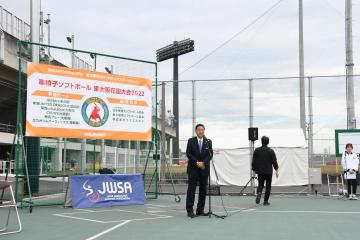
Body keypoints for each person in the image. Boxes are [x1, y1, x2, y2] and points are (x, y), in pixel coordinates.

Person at [186, 123, 213, 218]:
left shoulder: (208, 141)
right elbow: (188, 153)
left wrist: (203, 163)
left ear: (204, 131)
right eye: (199, 130)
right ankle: (190, 210)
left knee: (203, 190)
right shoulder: (191, 141)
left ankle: (200, 210)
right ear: (196, 131)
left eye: (202, 130)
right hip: (193, 169)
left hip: (204, 169)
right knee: (191, 190)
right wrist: (197, 162)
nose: (201, 131)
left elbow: (210, 154)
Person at [251, 136, 279, 206]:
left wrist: (254, 170)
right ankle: (265, 201)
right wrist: (277, 170)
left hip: (260, 171)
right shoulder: (271, 151)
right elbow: (274, 162)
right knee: (268, 186)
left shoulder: (257, 150)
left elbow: (254, 161)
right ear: (268, 142)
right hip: (268, 171)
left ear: (261, 141)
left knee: (260, 184)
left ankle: (259, 192)